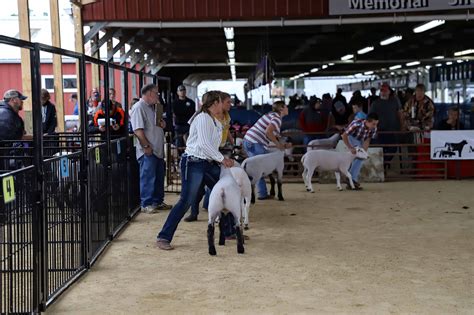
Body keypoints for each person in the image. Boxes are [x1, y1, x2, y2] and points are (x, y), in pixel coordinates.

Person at [156, 91, 235, 250]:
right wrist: (222, 159)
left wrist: (219, 158)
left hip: (207, 162)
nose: (225, 105)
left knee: (225, 193)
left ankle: (228, 231)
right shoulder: (203, 119)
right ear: (214, 103)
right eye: (222, 102)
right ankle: (163, 237)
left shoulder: (214, 120)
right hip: (193, 163)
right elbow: (205, 145)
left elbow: (213, 145)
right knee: (186, 200)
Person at [186, 91, 234, 222]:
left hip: (213, 154)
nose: (230, 104)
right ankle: (194, 211)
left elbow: (226, 130)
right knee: (197, 190)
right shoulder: (202, 117)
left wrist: (230, 142)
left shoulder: (225, 117)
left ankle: (224, 223)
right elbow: (200, 140)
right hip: (200, 157)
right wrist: (222, 159)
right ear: (217, 103)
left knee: (221, 189)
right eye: (227, 102)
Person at [130, 84, 172, 214]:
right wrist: (146, 146)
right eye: (156, 93)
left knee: (158, 176)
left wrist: (162, 124)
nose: (158, 96)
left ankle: (157, 201)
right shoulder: (138, 107)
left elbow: (155, 126)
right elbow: (138, 130)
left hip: (157, 149)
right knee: (148, 177)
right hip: (148, 150)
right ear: (149, 93)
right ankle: (146, 203)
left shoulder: (153, 108)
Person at [242, 100, 289, 200]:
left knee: (257, 167)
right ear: (281, 108)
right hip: (256, 142)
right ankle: (261, 194)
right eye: (286, 107)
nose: (287, 108)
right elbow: (268, 132)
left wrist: (281, 142)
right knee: (260, 168)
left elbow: (273, 134)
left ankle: (261, 192)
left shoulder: (272, 115)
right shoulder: (277, 119)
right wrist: (278, 144)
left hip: (248, 140)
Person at [341, 113, 379, 190]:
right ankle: (351, 178)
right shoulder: (356, 124)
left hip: (361, 139)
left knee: (361, 158)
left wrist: (364, 152)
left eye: (376, 124)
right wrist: (350, 147)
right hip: (351, 137)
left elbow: (367, 140)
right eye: (373, 124)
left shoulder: (373, 128)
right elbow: (344, 135)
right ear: (367, 121)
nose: (375, 126)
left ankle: (351, 180)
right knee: (359, 156)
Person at [369, 83, 403, 164]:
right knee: (380, 149)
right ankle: (383, 164)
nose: (383, 92)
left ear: (389, 91)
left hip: (393, 130)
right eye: (381, 91)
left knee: (393, 148)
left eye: (385, 91)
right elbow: (371, 117)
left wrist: (402, 126)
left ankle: (385, 162)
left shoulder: (395, 101)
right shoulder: (375, 104)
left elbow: (400, 113)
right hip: (380, 131)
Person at [0, 90, 28, 170]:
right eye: (20, 99)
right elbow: (6, 138)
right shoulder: (6, 115)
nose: (22, 102)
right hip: (6, 157)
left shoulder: (9, 113)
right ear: (13, 100)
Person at [172, 84, 196, 155]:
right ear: (177, 92)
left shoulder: (191, 102)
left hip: (188, 125)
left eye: (183, 90)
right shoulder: (175, 103)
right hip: (178, 126)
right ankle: (179, 157)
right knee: (178, 143)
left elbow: (192, 113)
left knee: (189, 143)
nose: (182, 92)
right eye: (180, 90)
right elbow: (176, 113)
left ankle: (189, 156)